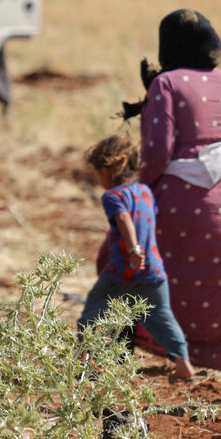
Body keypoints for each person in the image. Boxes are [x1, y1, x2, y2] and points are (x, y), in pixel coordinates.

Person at [128, 9, 221, 370]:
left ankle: (116, 359)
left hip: (180, 205)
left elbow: (157, 152)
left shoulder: (166, 84)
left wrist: (136, 192)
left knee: (123, 259)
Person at [79, 134, 195, 379]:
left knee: (92, 312)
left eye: (97, 173)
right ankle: (184, 367)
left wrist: (133, 249)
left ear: (108, 170)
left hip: (121, 271)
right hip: (153, 270)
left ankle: (82, 363)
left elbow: (123, 219)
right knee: (163, 318)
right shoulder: (145, 191)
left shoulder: (113, 196)